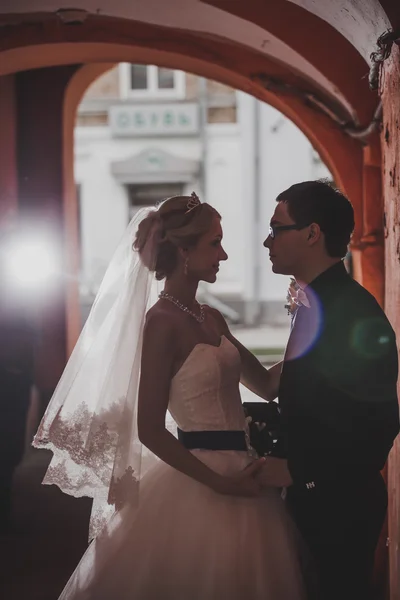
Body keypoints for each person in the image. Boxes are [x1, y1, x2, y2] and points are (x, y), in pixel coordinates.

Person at [33, 193, 305, 600]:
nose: (224, 254)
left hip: (245, 473)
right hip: (198, 480)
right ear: (183, 251)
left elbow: (266, 385)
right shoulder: (160, 323)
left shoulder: (211, 317)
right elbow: (149, 430)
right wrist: (220, 484)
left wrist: (306, 325)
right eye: (215, 243)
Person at [261, 180, 399, 600]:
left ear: (311, 233)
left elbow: (379, 423)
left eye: (276, 227)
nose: (267, 240)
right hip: (316, 500)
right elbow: (305, 395)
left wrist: (297, 470)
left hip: (341, 507)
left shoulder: (351, 311)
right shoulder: (316, 302)